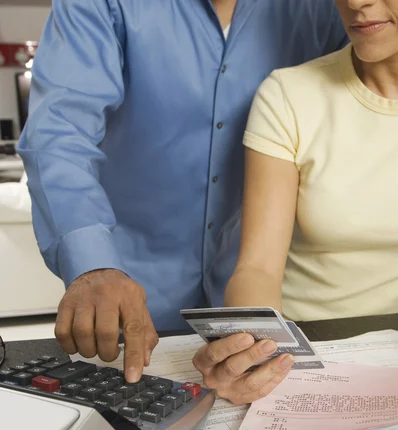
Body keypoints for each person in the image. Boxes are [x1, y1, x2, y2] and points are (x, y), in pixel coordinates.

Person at [18, 0, 346, 404]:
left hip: (271, 303)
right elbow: (59, 134)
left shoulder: (325, 9)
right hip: (131, 304)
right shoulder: (101, 5)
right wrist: (94, 265)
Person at [214, 0, 398, 392]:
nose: (355, 2)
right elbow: (258, 268)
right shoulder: (289, 95)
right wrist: (255, 359)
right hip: (307, 351)